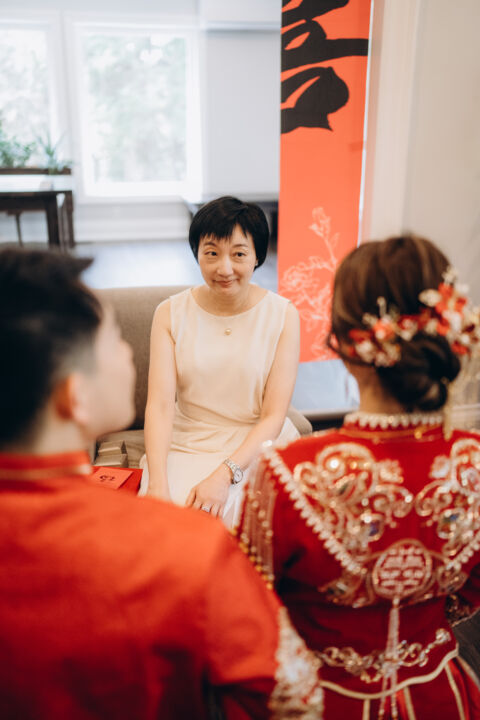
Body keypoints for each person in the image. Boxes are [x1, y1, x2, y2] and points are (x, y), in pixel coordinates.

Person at [0, 247, 323, 720]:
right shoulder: (185, 545)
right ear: (75, 396)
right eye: (114, 341)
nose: (128, 352)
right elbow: (291, 698)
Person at [236, 234, 480, 719]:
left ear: (346, 343)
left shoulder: (290, 472)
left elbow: (250, 607)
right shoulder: (472, 462)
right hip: (437, 693)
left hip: (323, 699)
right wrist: (415, 624)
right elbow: (469, 592)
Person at [143, 196, 300, 526]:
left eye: (239, 254)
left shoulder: (283, 315)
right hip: (187, 442)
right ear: (197, 253)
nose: (224, 268)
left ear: (257, 256)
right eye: (211, 253)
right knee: (166, 524)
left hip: (255, 443)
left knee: (236, 527)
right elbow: (160, 405)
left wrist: (224, 474)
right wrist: (157, 484)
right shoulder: (169, 313)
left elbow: (273, 416)